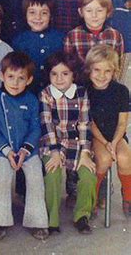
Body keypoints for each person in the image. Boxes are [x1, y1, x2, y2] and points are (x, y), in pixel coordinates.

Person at [0, 52, 49, 241]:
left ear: (29, 80)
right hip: (3, 151)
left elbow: (35, 128)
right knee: (3, 177)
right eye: (10, 77)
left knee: (36, 177)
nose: (15, 83)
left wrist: (24, 150)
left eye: (21, 78)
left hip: (27, 152)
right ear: (1, 76)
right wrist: (7, 151)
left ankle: (37, 221)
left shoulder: (31, 100)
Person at [40, 51, 96, 234]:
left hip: (77, 142)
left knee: (87, 175)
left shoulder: (81, 93)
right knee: (52, 174)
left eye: (65, 73)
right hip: (53, 144)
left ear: (73, 74)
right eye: (54, 74)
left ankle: (82, 215)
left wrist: (86, 153)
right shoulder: (46, 94)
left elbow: (84, 124)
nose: (59, 78)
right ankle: (52, 219)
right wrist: (54, 152)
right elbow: (47, 125)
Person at [85, 45, 131, 217]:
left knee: (125, 157)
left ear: (115, 72)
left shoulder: (121, 91)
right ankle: (92, 197)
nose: (101, 76)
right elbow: (89, 123)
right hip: (97, 136)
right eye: (97, 70)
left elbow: (122, 122)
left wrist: (114, 142)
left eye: (107, 71)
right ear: (89, 69)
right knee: (103, 159)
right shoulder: (85, 91)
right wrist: (105, 143)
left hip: (116, 135)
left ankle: (128, 197)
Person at [12, 0, 65, 94]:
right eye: (32, 12)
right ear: (25, 14)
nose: (38, 17)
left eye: (44, 13)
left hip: (54, 93)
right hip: (27, 93)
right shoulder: (19, 41)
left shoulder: (60, 38)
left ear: (51, 15)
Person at [64, 0, 124, 66]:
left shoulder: (115, 36)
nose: (94, 15)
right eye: (89, 10)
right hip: (81, 78)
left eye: (99, 10)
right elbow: (68, 66)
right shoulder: (72, 36)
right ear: (81, 12)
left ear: (108, 12)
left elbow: (119, 65)